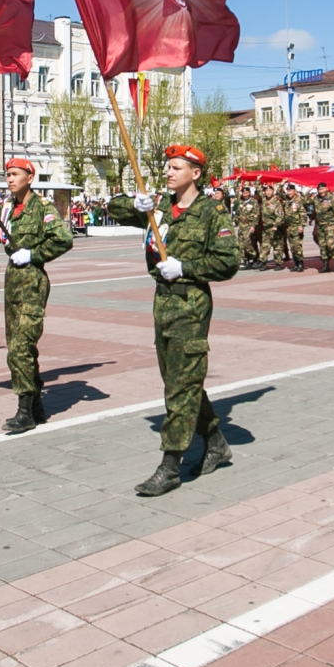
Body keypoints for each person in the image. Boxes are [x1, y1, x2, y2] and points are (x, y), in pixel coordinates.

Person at [107, 144, 240, 497]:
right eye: (167, 167)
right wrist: (134, 204)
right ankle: (215, 442)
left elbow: (228, 262)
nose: (168, 172)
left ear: (195, 173)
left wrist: (186, 268)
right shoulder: (161, 207)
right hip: (162, 303)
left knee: (180, 387)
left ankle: (170, 465)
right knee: (180, 382)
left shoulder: (211, 212)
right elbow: (112, 208)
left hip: (191, 304)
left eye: (176, 168)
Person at [0, 159, 73, 430]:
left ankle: (24, 410)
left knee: (20, 348)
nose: (10, 179)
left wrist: (34, 254)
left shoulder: (42, 208)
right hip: (12, 279)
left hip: (32, 279)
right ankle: (36, 405)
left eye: (15, 174)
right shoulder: (5, 208)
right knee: (18, 345)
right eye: (8, 174)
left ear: (30, 177)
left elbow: (63, 239)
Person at [310, 181, 334, 273]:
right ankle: (325, 265)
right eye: (319, 189)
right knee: (322, 245)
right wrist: (308, 191)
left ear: (327, 188)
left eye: (323, 189)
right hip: (320, 226)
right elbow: (305, 202)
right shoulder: (316, 198)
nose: (321, 191)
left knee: (330, 244)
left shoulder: (332, 198)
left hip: (330, 225)